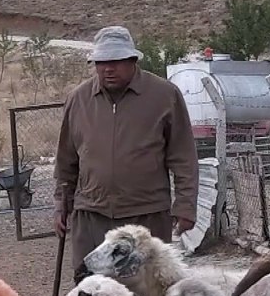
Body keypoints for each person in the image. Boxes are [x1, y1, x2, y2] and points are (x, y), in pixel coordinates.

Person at [53, 25, 199, 276]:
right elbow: (66, 160)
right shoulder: (78, 100)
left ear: (132, 60)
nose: (108, 68)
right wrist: (60, 205)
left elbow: (183, 156)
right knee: (91, 292)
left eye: (116, 61)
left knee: (150, 290)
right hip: (92, 216)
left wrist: (185, 205)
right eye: (101, 62)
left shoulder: (164, 95)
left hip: (146, 215)